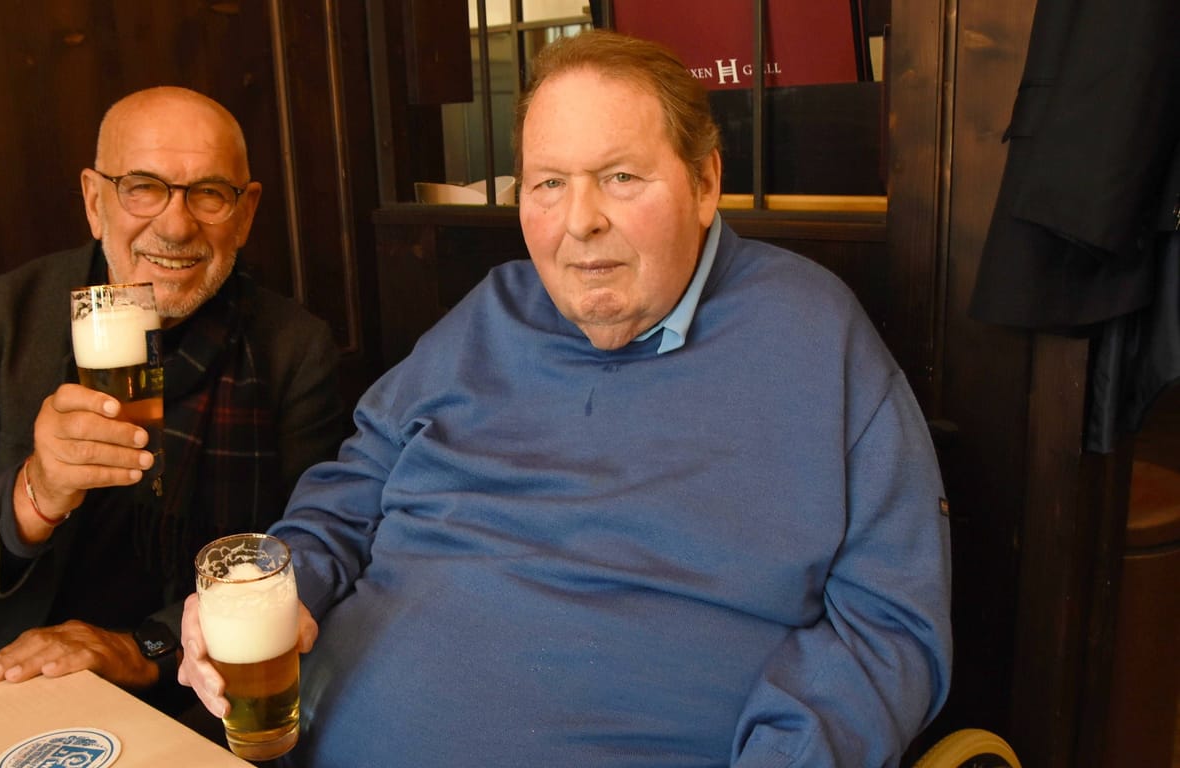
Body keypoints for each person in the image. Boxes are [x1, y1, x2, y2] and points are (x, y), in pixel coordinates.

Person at [180, 30, 952, 767]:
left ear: (705, 181)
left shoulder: (815, 337)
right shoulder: (490, 313)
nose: (580, 222)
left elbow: (889, 631)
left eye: (621, 177)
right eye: (549, 184)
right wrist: (281, 590)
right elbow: (344, 499)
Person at [0, 87, 347, 714]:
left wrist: (141, 648)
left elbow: (297, 553)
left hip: (174, 693)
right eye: (142, 187)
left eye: (209, 194)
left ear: (244, 214)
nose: (175, 224)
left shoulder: (292, 350)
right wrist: (38, 491)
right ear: (93, 200)